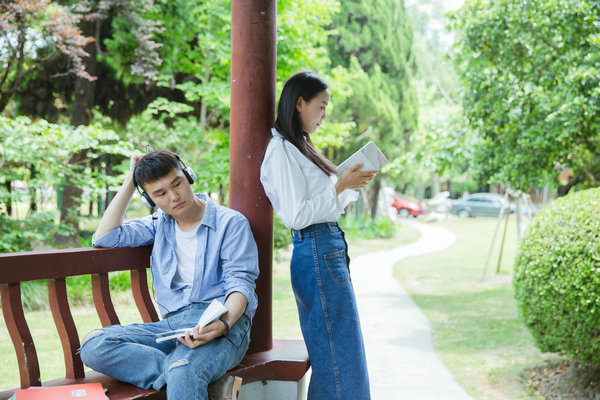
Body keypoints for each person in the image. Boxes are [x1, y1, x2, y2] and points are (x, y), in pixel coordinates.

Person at [79, 150, 259, 400]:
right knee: (93, 346)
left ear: (188, 176)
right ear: (149, 199)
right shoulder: (158, 224)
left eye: (178, 184)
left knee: (183, 371)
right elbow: (104, 237)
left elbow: (240, 285)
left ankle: (186, 373)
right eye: (160, 193)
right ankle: (195, 377)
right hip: (173, 327)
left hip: (224, 322)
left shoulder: (231, 223)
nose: (174, 197)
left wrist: (223, 324)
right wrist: (131, 181)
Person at [260, 71, 376, 399]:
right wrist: (339, 185)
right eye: (321, 107)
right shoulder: (281, 150)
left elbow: (323, 205)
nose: (324, 116)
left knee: (342, 352)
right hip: (315, 246)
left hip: (325, 246)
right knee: (338, 358)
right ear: (300, 103)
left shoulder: (302, 147)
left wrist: (349, 182)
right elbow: (298, 215)